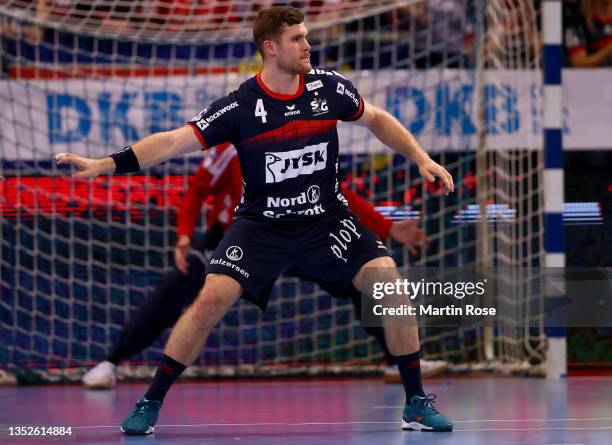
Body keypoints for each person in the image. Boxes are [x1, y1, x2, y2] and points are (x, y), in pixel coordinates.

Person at [56, 6, 455, 435]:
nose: (308, 45)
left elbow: (375, 117)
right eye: (297, 39)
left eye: (306, 36)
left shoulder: (329, 87)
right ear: (270, 47)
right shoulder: (242, 106)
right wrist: (106, 164)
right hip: (262, 226)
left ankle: (414, 402)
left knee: (388, 285)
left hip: (326, 220)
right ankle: (150, 401)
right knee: (209, 298)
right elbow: (172, 142)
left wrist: (420, 157)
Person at [82, 141, 447, 388]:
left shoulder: (304, 143)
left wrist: (387, 228)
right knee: (177, 287)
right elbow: (196, 191)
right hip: (239, 240)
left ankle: (393, 361)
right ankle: (111, 363)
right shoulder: (229, 146)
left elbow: (342, 196)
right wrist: (182, 235)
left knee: (362, 274)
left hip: (301, 236)